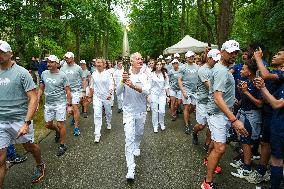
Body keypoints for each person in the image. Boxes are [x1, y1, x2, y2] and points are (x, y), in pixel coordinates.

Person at [201, 40, 248, 189]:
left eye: (236, 52)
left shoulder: (223, 68)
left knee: (216, 144)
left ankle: (208, 161)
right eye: (231, 52)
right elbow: (217, 98)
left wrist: (232, 97)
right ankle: (207, 183)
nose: (234, 55)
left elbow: (221, 92)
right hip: (218, 114)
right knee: (220, 148)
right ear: (222, 52)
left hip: (221, 113)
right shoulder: (221, 70)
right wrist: (234, 120)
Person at [0, 40, 45, 185]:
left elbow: (33, 98)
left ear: (10, 53)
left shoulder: (22, 73)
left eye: (1, 52)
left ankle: (40, 163)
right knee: (1, 158)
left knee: (29, 147)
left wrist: (27, 122)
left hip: (20, 120)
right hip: (1, 121)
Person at [245, 48, 284, 185]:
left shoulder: (281, 74)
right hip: (269, 113)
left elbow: (265, 74)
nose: (274, 55)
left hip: (276, 115)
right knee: (264, 143)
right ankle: (264, 171)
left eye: (279, 54)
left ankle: (263, 172)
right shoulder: (275, 71)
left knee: (275, 154)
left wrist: (258, 58)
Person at [116, 52, 150, 180]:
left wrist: (133, 85)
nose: (141, 60)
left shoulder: (145, 75)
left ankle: (137, 144)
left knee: (139, 134)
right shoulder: (124, 73)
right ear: (131, 62)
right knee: (128, 138)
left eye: (142, 58)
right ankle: (131, 168)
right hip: (128, 112)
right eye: (138, 59)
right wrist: (122, 81)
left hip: (141, 111)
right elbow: (118, 93)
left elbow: (147, 90)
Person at [230, 59, 263, 179]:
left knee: (246, 141)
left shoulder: (257, 83)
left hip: (251, 116)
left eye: (243, 69)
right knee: (243, 140)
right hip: (244, 112)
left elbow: (259, 103)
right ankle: (245, 161)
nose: (241, 71)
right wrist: (239, 98)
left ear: (249, 72)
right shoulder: (247, 82)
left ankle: (247, 168)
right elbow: (246, 99)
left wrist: (246, 92)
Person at [37, 55, 72, 156]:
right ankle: (57, 131)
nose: (49, 64)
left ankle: (62, 144)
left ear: (57, 64)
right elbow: (41, 88)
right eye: (48, 62)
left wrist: (69, 105)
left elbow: (68, 91)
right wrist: (38, 99)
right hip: (48, 104)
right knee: (48, 125)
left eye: (52, 62)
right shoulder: (44, 74)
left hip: (60, 103)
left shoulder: (62, 75)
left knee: (61, 124)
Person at [254, 76, 284, 189]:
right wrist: (262, 88)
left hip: (280, 129)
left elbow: (276, 104)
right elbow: (269, 99)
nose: (282, 70)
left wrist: (263, 87)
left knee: (276, 161)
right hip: (278, 126)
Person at [192, 49, 221, 148]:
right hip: (202, 101)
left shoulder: (216, 68)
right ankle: (194, 133)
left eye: (218, 60)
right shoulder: (202, 70)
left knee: (211, 125)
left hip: (212, 101)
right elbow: (210, 87)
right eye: (214, 59)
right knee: (201, 125)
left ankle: (207, 143)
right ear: (209, 58)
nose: (217, 61)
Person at [60, 52, 86, 136]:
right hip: (65, 91)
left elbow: (84, 79)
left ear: (73, 58)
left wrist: (83, 91)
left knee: (74, 108)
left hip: (76, 91)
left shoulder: (78, 68)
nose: (66, 59)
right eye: (65, 57)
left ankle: (76, 127)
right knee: (69, 110)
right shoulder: (62, 67)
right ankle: (74, 117)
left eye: (68, 57)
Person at [89, 59, 114, 143]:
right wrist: (90, 96)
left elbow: (111, 84)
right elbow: (92, 86)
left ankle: (108, 122)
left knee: (108, 112)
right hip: (97, 97)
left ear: (104, 65)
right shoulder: (94, 74)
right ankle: (97, 134)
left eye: (100, 62)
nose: (98, 64)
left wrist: (110, 93)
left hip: (106, 96)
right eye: (97, 62)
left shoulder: (108, 73)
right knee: (97, 114)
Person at [178, 51, 199, 134]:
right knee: (187, 106)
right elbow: (179, 80)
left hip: (195, 91)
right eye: (189, 56)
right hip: (186, 90)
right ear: (186, 58)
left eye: (192, 56)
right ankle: (187, 125)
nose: (191, 58)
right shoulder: (183, 67)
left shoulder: (197, 67)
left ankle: (186, 115)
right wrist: (183, 91)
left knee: (193, 106)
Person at [149, 61, 170, 133]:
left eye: (160, 64)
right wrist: (148, 95)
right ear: (155, 65)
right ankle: (155, 125)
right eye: (157, 64)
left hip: (162, 94)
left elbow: (167, 86)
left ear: (162, 66)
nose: (159, 66)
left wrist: (168, 96)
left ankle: (161, 123)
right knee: (154, 110)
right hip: (154, 94)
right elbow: (149, 85)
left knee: (162, 111)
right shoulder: (151, 74)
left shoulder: (165, 74)